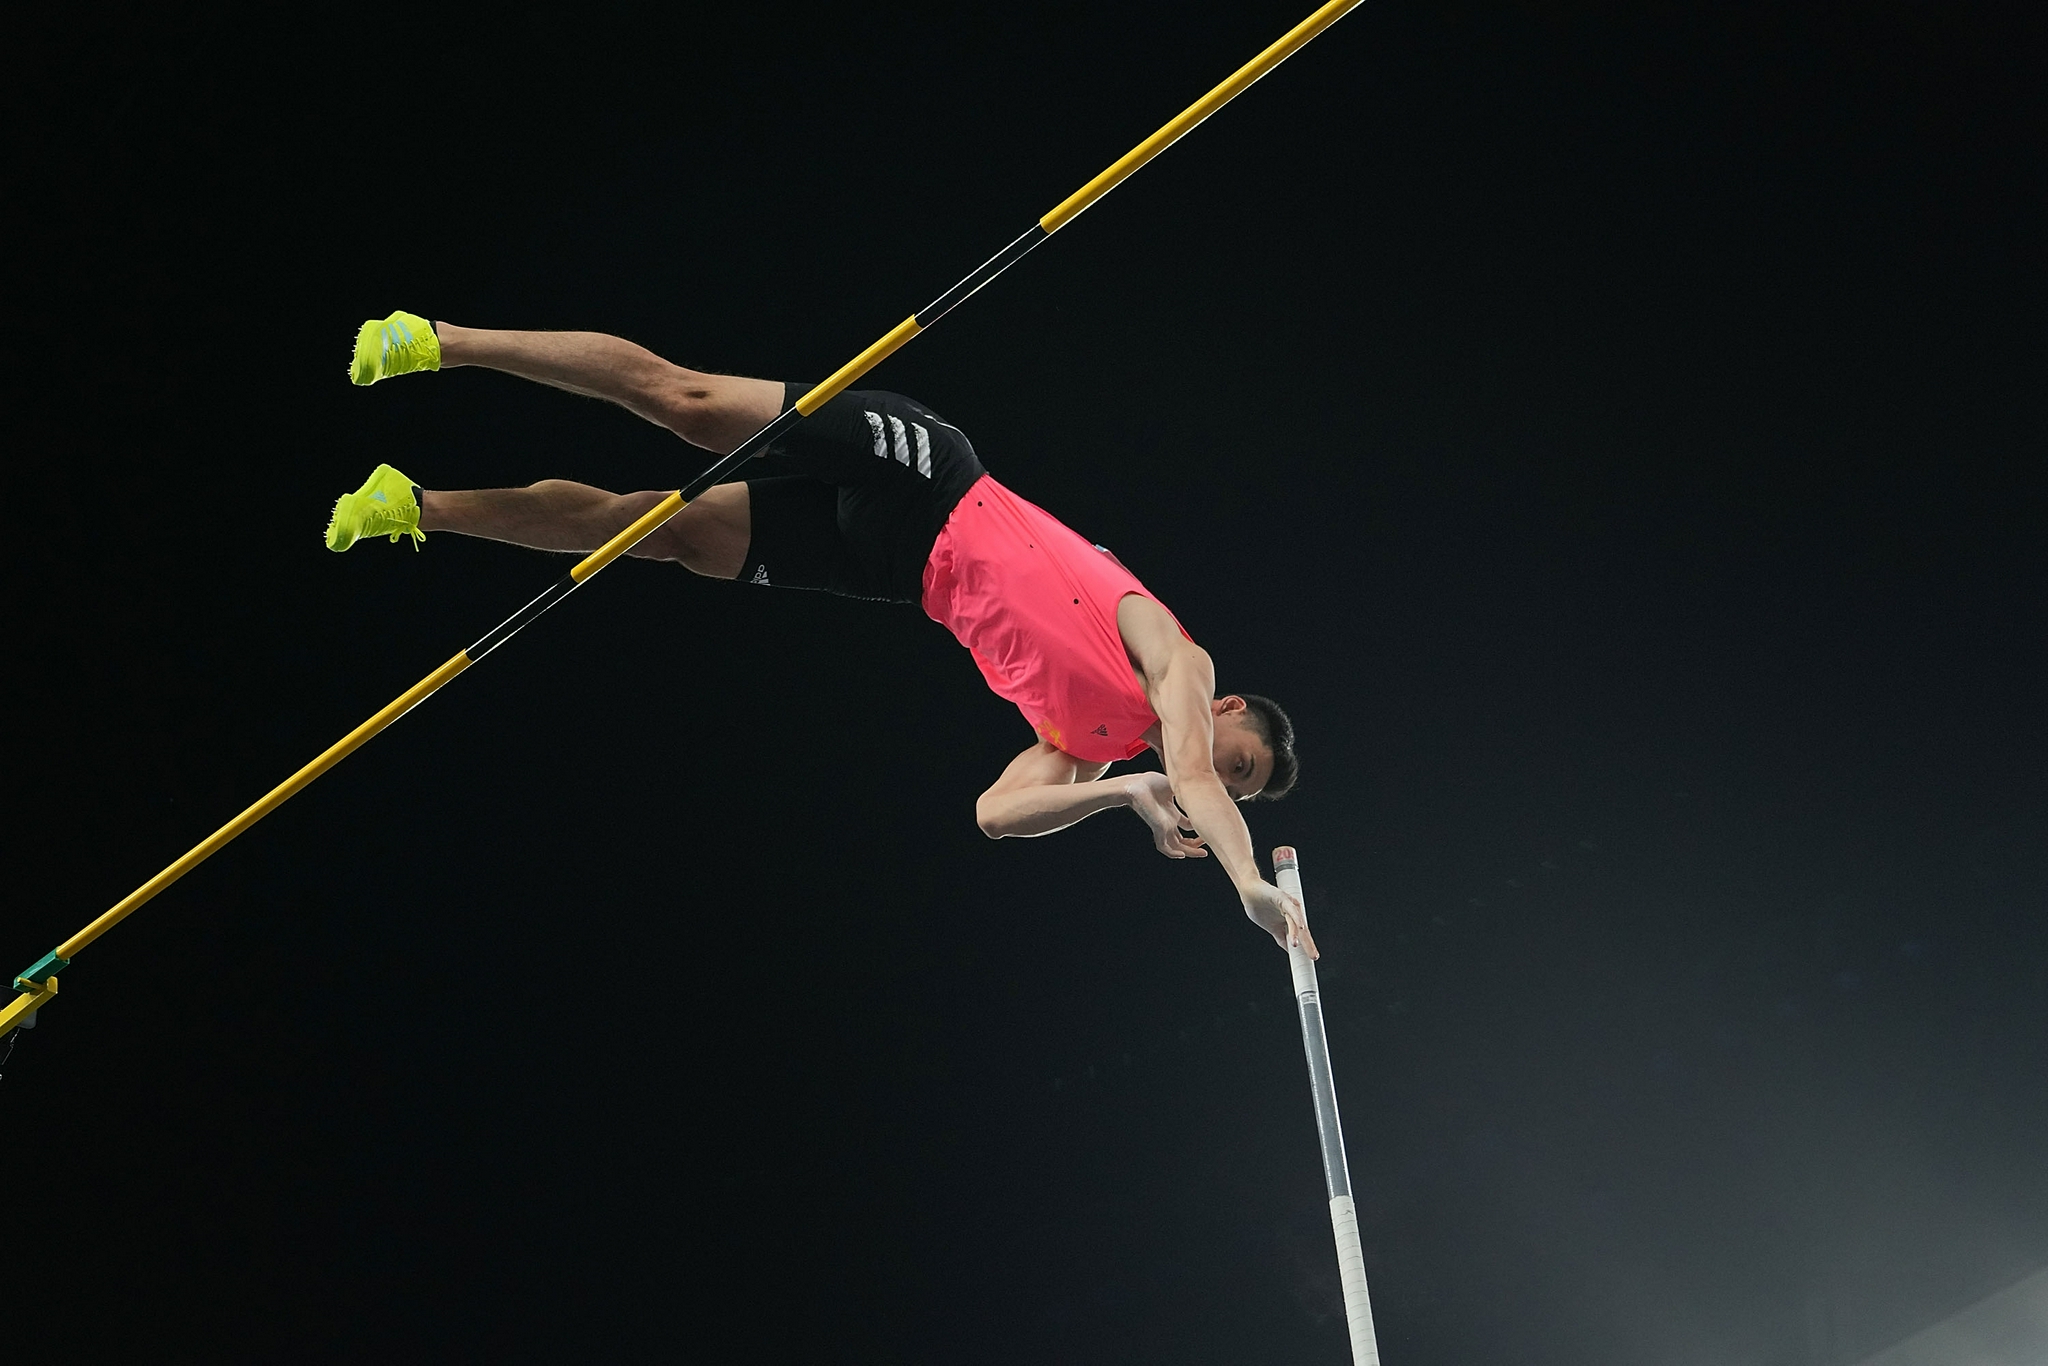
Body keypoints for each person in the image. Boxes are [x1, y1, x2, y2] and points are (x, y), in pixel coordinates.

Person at [329, 311, 1315, 956]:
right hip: (931, 478)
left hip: (893, 569)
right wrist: (1244, 884)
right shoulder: (1175, 655)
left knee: (659, 530)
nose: (1218, 782)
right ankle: (440, 341)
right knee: (684, 403)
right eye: (1238, 766)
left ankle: (414, 505)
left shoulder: (1095, 747)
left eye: (1231, 788)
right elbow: (1189, 768)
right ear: (1226, 709)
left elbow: (993, 813)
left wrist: (1125, 790)